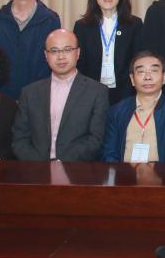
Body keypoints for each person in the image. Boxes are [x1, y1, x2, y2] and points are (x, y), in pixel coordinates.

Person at [11, 29, 109, 161]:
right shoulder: (29, 93)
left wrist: (61, 163)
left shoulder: (97, 91)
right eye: (54, 51)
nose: (61, 56)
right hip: (36, 168)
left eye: (67, 49)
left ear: (78, 53)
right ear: (46, 55)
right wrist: (40, 165)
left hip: (77, 169)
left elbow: (95, 139)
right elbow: (19, 139)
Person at [103, 51, 165, 163]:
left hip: (163, 172)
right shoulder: (116, 111)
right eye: (141, 72)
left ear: (164, 77)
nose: (147, 77)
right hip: (124, 172)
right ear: (132, 79)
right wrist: (120, 173)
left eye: (154, 71)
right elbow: (109, 153)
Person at [73, 0, 143, 106]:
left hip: (125, 93)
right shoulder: (82, 26)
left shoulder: (134, 24)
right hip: (91, 93)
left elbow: (138, 60)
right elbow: (79, 64)